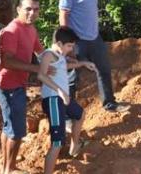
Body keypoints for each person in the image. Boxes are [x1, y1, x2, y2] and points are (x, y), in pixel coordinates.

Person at [59, 0, 128, 112]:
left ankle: (109, 104)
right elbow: (63, 14)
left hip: (94, 38)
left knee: (103, 70)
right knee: (72, 77)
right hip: (77, 41)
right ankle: (68, 114)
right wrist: (67, 42)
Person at [0, 0, 47, 174]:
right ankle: (9, 169)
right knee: (16, 131)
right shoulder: (12, 30)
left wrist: (61, 60)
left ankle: (6, 165)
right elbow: (7, 61)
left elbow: (41, 51)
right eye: (28, 9)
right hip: (7, 85)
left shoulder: (31, 29)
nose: (32, 13)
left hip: (17, 84)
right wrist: (36, 69)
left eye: (36, 9)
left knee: (9, 127)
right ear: (18, 9)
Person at [38, 27, 96, 174]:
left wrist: (83, 64)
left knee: (80, 115)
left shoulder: (60, 56)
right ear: (58, 43)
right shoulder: (48, 55)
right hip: (52, 99)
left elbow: (65, 66)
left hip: (62, 98)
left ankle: (74, 146)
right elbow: (41, 75)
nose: (71, 49)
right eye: (69, 46)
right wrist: (60, 91)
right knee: (57, 142)